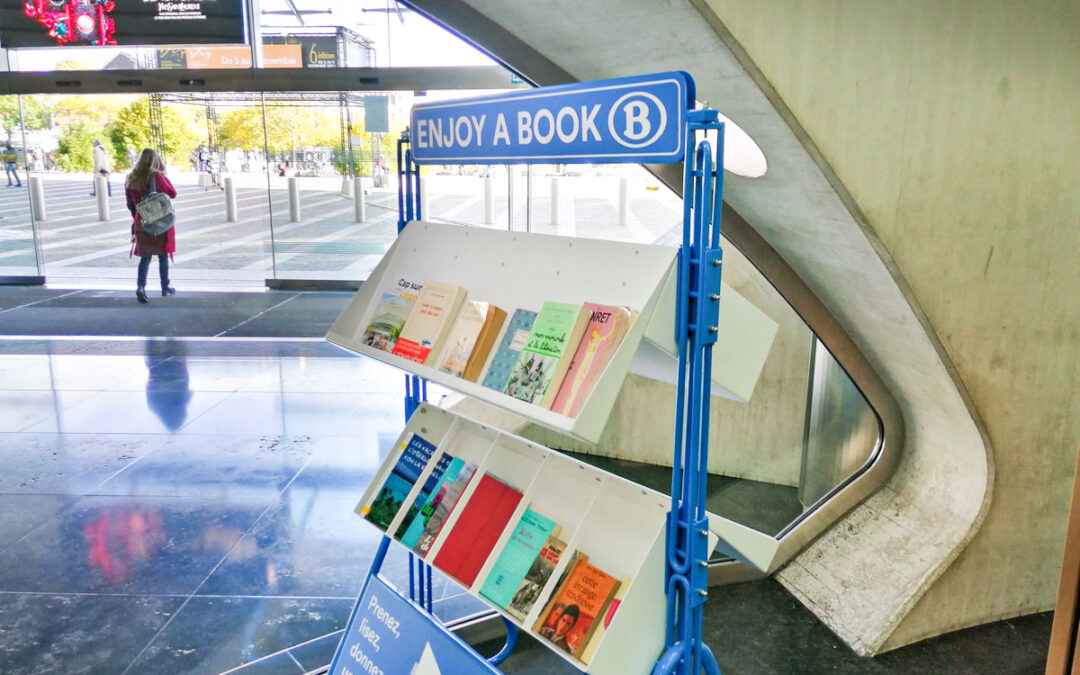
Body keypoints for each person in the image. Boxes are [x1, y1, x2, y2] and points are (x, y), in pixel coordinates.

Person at [125, 148, 177, 304]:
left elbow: (130, 204)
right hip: (160, 220)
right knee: (162, 256)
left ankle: (141, 287)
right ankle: (165, 288)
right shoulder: (156, 176)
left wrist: (138, 217)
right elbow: (172, 193)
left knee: (145, 257)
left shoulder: (131, 178)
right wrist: (165, 177)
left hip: (142, 221)